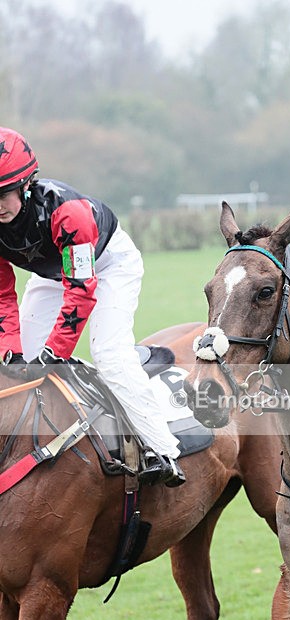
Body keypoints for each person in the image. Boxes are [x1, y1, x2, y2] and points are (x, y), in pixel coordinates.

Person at [0, 126, 184, 487]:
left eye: (3, 194)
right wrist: (11, 350)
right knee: (17, 367)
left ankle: (164, 449)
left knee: (109, 353)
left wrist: (58, 350)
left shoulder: (67, 212)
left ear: (25, 185)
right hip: (52, 275)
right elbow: (2, 296)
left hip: (107, 264)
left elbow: (81, 289)